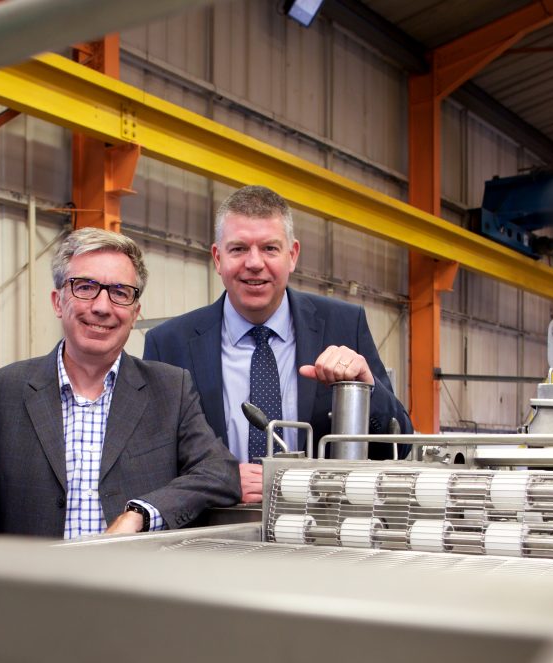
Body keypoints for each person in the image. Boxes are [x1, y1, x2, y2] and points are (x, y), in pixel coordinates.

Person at [143, 185, 412, 503]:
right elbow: (152, 462)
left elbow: (399, 443)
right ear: (218, 258)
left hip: (320, 534)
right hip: (212, 536)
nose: (254, 263)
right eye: (238, 249)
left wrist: (367, 389)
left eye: (269, 248)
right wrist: (219, 480)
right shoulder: (169, 344)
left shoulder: (343, 325)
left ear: (292, 255)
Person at [0, 228, 240, 539]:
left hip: (129, 583)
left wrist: (141, 514)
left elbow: (219, 473)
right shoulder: (2, 391)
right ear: (57, 302)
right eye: (85, 287)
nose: (102, 307)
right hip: (31, 584)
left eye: (120, 292)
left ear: (135, 314)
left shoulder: (170, 390)